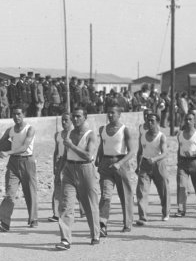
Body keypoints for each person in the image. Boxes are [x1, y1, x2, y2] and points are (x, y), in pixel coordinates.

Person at [54, 107, 99, 249]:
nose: (75, 119)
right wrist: (58, 173)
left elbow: (88, 155)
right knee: (66, 204)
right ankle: (65, 239)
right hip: (69, 170)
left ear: (85, 117)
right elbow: (64, 155)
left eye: (78, 116)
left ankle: (95, 234)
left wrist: (72, 146)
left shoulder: (90, 135)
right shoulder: (69, 134)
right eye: (73, 116)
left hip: (86, 169)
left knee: (90, 204)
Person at [0, 106, 38, 232]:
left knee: (30, 192)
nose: (16, 117)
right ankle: (5, 222)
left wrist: (8, 152)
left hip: (27, 161)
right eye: (14, 114)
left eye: (18, 114)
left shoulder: (30, 129)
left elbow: (24, 147)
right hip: (13, 163)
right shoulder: (10, 130)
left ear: (24, 114)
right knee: (9, 193)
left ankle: (33, 218)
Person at [96, 104, 135, 235]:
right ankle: (102, 224)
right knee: (105, 195)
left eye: (113, 113)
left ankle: (127, 222)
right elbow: (102, 145)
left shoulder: (125, 130)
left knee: (125, 195)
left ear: (119, 114)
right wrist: (98, 158)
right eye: (108, 112)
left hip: (121, 163)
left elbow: (131, 151)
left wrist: (120, 163)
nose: (110, 115)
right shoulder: (102, 129)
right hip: (106, 164)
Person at [135, 113, 169, 225]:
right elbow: (140, 152)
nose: (149, 123)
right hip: (145, 164)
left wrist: (154, 159)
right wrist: (137, 165)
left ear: (157, 122)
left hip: (159, 164)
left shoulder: (161, 136)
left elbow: (164, 153)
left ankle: (165, 212)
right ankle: (142, 217)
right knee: (141, 191)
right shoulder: (143, 135)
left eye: (152, 121)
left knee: (163, 190)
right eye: (148, 120)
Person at [175, 111, 196, 217]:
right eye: (186, 119)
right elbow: (179, 148)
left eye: (190, 119)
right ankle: (181, 209)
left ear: (194, 121)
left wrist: (193, 152)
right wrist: (178, 160)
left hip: (195, 161)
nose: (188, 121)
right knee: (181, 186)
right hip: (183, 163)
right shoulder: (180, 134)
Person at [48, 113, 70, 223]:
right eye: (62, 120)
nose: (64, 122)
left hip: (72, 161)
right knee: (57, 187)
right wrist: (54, 166)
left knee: (78, 188)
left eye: (66, 120)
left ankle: (83, 209)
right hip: (61, 161)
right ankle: (56, 213)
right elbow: (56, 151)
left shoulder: (74, 134)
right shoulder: (58, 135)